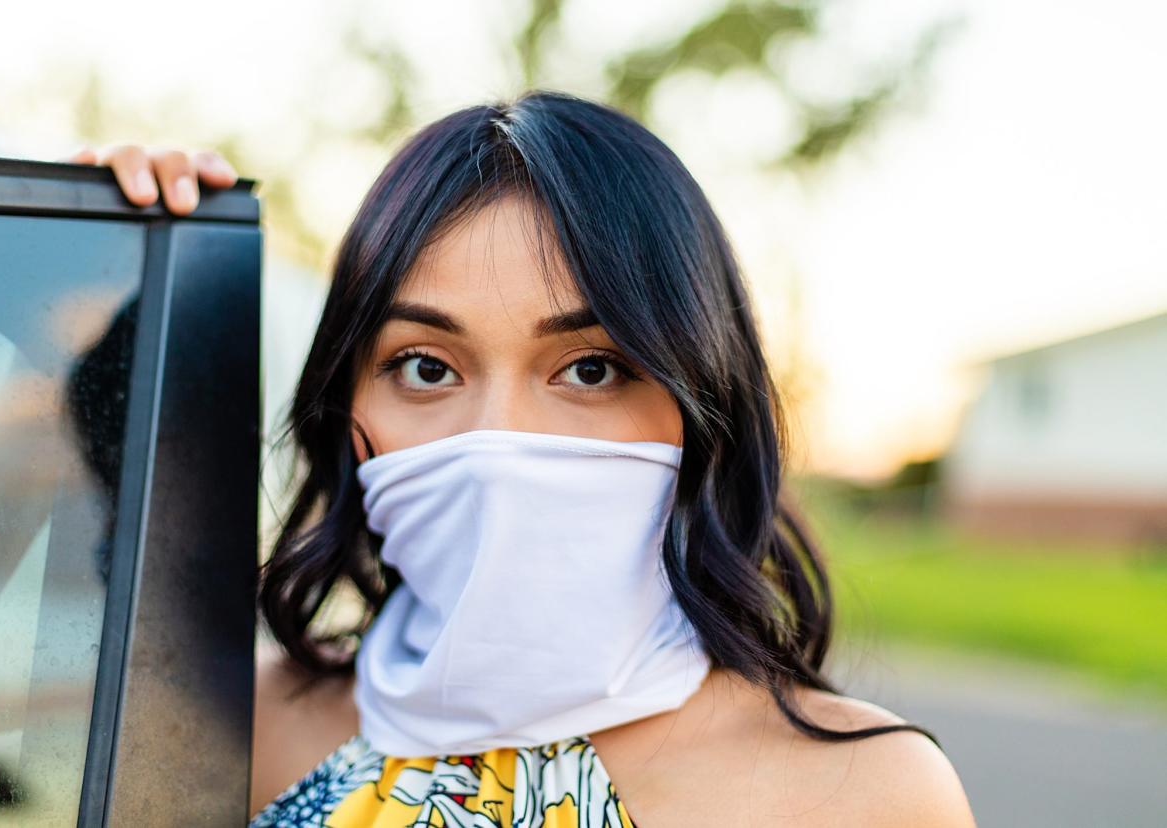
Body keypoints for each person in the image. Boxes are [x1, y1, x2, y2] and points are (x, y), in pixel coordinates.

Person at [72, 89, 976, 827]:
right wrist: (99, 242)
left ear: (700, 409)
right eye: (425, 367)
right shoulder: (230, 724)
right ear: (349, 413)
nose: (495, 438)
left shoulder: (862, 796)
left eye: (590, 368)